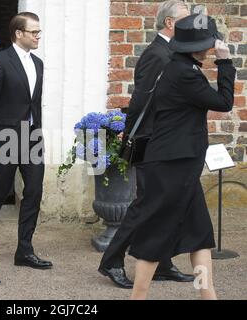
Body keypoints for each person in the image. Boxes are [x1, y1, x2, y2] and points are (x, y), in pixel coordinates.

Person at [128, 14, 235, 300]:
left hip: (180, 165)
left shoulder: (181, 66)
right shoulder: (184, 73)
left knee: (199, 233)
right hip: (171, 167)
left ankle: (207, 294)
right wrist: (225, 62)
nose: (209, 47)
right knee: (156, 235)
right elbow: (224, 103)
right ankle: (137, 297)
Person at [98, 0, 193, 288]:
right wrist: (130, 134)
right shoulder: (157, 54)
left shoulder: (172, 52)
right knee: (144, 205)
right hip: (152, 141)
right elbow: (141, 98)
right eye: (185, 21)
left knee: (165, 206)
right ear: (169, 23)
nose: (190, 26)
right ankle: (111, 261)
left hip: (166, 140)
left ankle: (161, 262)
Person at [0, 12, 52, 270]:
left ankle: (25, 250)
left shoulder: (39, 63)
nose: (37, 36)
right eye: (33, 32)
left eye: (38, 32)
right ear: (18, 33)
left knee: (33, 192)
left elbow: (34, 103)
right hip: (7, 137)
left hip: (32, 136)